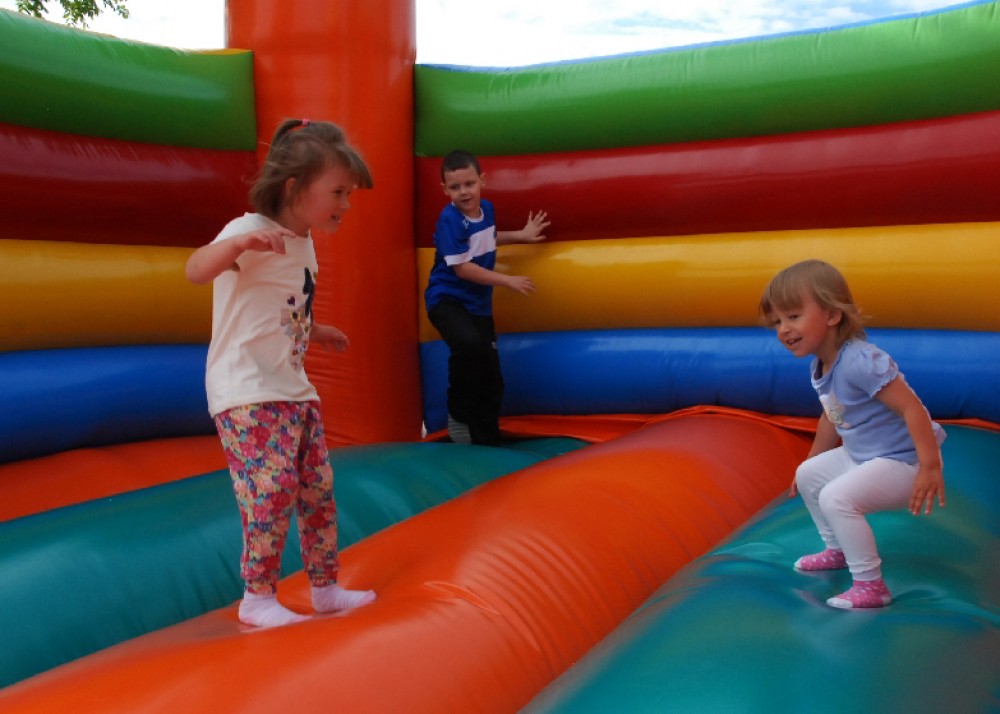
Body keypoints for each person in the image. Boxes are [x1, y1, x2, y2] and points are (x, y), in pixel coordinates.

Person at [185, 118, 377, 628]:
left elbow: (282, 308)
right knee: (271, 489)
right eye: (338, 192)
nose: (346, 204)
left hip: (293, 389)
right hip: (246, 389)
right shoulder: (247, 231)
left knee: (317, 490)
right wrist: (235, 247)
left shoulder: (304, 243)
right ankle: (257, 596)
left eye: (349, 194)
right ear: (294, 187)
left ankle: (325, 586)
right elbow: (195, 270)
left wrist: (316, 330)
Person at [758, 259, 946, 609]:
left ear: (832, 315)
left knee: (836, 497)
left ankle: (871, 585)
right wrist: (812, 459)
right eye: (777, 322)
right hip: (865, 456)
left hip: (903, 462)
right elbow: (833, 416)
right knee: (809, 474)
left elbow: (912, 408)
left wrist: (929, 466)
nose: (783, 329)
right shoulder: (821, 364)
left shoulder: (860, 360)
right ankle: (838, 550)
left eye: (793, 316)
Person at [424, 149, 550, 446]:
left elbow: (487, 238)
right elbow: (463, 268)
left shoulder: (487, 210)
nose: (464, 192)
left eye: (469, 184)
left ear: (482, 180)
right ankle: (459, 416)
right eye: (455, 187)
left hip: (478, 306)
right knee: (468, 344)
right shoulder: (450, 219)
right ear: (445, 189)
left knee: (492, 375)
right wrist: (507, 280)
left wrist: (521, 235)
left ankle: (486, 438)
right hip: (447, 300)